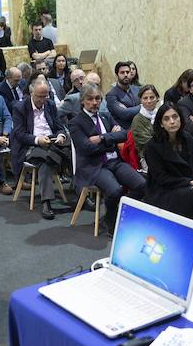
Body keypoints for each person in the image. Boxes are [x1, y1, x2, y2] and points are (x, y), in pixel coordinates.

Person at [69, 83, 146, 233]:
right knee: (115, 191)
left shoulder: (105, 116)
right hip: (94, 166)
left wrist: (102, 138)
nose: (94, 102)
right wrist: (112, 139)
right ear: (82, 101)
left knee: (142, 184)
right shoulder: (75, 122)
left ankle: (122, 214)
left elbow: (124, 135)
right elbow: (86, 148)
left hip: (115, 162)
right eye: (90, 99)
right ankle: (110, 221)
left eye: (98, 98)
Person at [11, 80, 69, 219]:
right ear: (31, 94)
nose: (43, 100)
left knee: (74, 149)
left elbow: (59, 126)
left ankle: (80, 192)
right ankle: (46, 202)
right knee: (45, 161)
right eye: (40, 96)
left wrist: (61, 135)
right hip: (30, 144)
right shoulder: (20, 107)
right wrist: (37, 140)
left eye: (46, 96)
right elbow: (19, 134)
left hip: (51, 141)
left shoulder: (50, 104)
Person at [130, 84, 160, 165]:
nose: (149, 101)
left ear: (157, 99)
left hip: (167, 152)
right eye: (145, 98)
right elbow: (148, 144)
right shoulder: (138, 120)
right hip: (148, 158)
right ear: (141, 100)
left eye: (152, 97)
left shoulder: (162, 115)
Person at [106, 61, 140, 130]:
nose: (126, 75)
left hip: (140, 128)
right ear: (116, 75)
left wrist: (129, 110)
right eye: (122, 72)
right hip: (124, 132)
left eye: (127, 72)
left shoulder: (137, 90)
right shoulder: (111, 95)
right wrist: (143, 106)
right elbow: (124, 114)